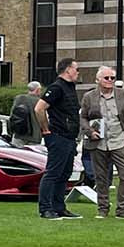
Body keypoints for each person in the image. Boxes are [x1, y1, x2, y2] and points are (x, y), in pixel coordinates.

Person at [79, 66, 124, 220]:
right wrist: (89, 131)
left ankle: (122, 209)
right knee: (101, 177)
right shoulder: (89, 97)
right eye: (106, 78)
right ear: (98, 80)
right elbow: (83, 117)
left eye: (112, 78)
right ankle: (103, 208)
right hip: (98, 143)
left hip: (119, 141)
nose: (110, 81)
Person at [34, 58, 83, 221]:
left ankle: (59, 207)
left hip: (69, 137)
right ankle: (45, 208)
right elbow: (39, 108)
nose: (78, 72)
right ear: (68, 70)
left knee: (65, 173)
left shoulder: (70, 87)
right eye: (76, 69)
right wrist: (46, 130)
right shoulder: (57, 87)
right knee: (53, 173)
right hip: (58, 136)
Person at [7, 81, 42, 147]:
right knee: (32, 156)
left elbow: (12, 115)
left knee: (17, 154)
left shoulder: (19, 98)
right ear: (37, 90)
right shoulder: (39, 101)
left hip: (19, 133)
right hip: (34, 135)